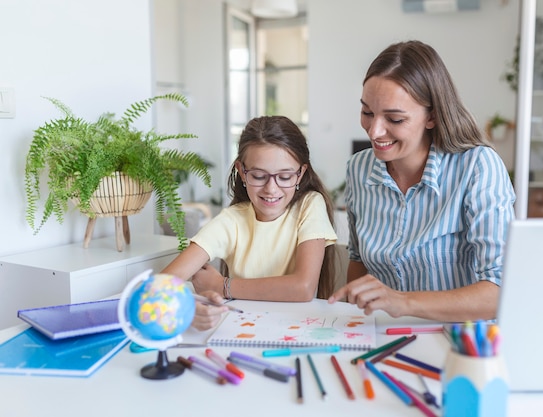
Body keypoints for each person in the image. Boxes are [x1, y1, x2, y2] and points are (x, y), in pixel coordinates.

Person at [328, 40, 516, 322]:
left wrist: (402, 302)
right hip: (383, 336)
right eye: (367, 112)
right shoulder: (359, 169)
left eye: (394, 118)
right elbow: (359, 262)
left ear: (433, 117)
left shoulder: (477, 167)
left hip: (457, 343)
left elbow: (501, 290)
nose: (375, 131)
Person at [162, 115, 337, 330]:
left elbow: (303, 287)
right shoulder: (232, 220)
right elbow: (163, 284)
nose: (271, 189)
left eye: (284, 176)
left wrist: (223, 286)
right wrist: (186, 309)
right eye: (258, 176)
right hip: (240, 330)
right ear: (242, 172)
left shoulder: (310, 204)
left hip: (297, 330)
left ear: (300, 174)